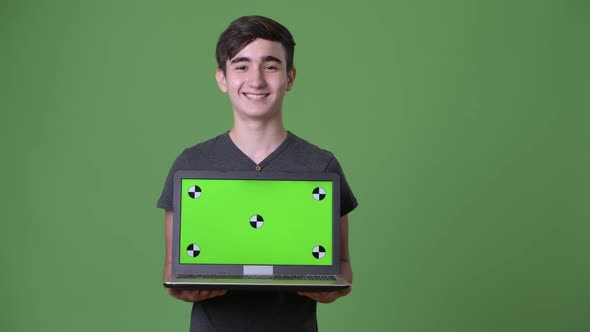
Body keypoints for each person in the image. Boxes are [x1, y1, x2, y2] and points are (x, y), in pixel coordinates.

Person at [157, 15, 358, 331]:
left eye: (270, 66)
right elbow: (173, 267)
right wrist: (181, 287)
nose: (256, 80)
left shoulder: (321, 166)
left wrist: (333, 287)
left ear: (289, 78)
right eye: (241, 66)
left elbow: (343, 267)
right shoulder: (191, 163)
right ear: (222, 78)